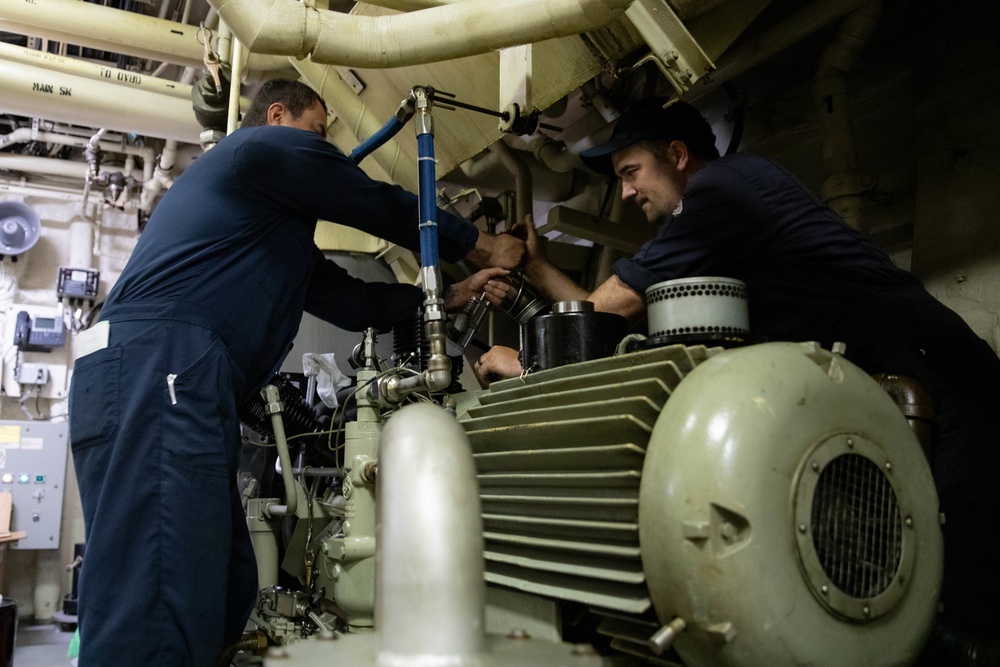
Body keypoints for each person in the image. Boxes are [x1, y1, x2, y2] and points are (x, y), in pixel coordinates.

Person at [474, 98, 1000, 663]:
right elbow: (606, 325)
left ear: (677, 155)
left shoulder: (724, 190)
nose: (626, 193)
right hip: (892, 377)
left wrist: (525, 368)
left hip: (938, 373)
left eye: (631, 173)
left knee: (968, 576)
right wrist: (536, 268)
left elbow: (607, 313)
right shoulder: (714, 218)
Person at [68, 78, 523, 667]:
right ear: (278, 114)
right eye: (317, 131)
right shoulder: (251, 150)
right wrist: (480, 245)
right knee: (157, 593)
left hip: (166, 378)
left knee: (221, 577)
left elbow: (352, 301)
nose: (324, 146)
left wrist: (447, 296)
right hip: (160, 369)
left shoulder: (268, 232)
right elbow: (365, 197)